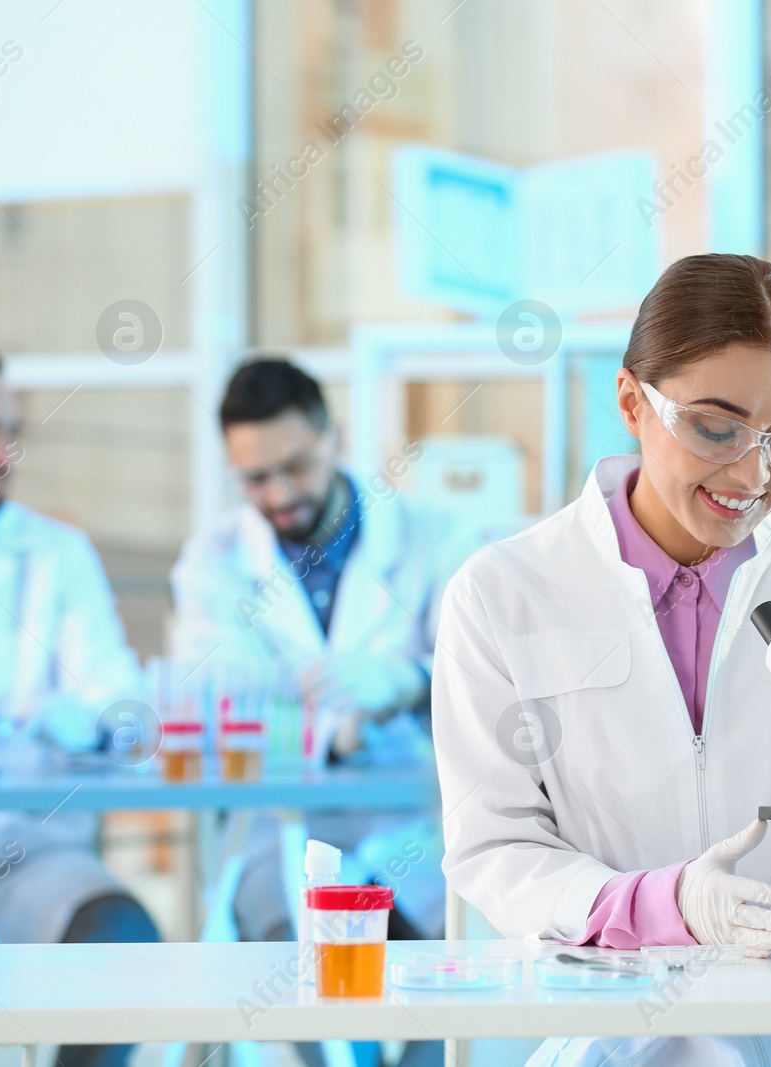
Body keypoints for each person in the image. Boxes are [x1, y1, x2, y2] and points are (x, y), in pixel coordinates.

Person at [432, 255, 771, 1067]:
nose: (754, 474)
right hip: (620, 1013)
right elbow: (494, 847)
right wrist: (668, 900)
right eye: (716, 428)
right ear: (631, 402)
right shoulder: (505, 591)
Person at [170, 357, 469, 1067]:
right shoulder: (212, 563)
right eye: (254, 478)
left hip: (414, 822)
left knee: (454, 998)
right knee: (305, 981)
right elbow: (220, 694)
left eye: (294, 467)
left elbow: (490, 683)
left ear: (334, 436)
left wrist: (407, 680)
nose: (277, 493)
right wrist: (330, 714)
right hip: (280, 834)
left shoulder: (439, 538)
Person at [0, 344, 158, 1067]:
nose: (3, 451)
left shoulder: (57, 553)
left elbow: (119, 691)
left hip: (27, 845)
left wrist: (97, 717)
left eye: (11, 430)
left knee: (124, 942)